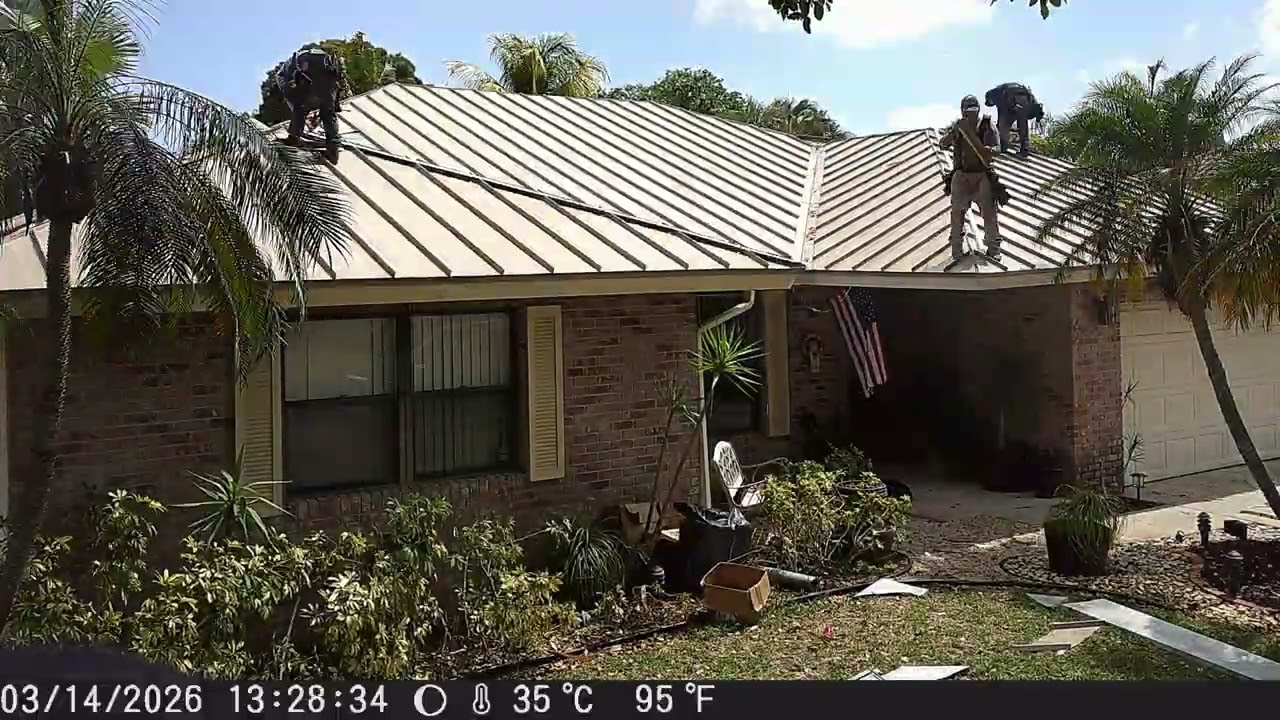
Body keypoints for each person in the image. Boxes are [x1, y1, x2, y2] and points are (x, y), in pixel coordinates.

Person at [939, 95, 1002, 261]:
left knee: (989, 212)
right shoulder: (958, 127)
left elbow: (997, 149)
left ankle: (994, 249)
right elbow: (943, 143)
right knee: (957, 213)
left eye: (972, 110)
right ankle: (957, 249)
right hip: (961, 176)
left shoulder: (987, 125)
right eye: (967, 111)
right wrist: (956, 131)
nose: (970, 114)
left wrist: (985, 148)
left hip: (981, 175)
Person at [275, 44, 346, 161]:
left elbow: (292, 95)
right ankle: (333, 152)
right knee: (329, 115)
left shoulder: (288, 67)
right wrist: (336, 105)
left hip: (313, 86)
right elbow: (336, 84)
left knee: (299, 107)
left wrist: (297, 103)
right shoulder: (324, 58)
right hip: (330, 87)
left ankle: (293, 138)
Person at [984, 82, 1043, 157]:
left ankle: (1003, 145)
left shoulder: (995, 94)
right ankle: (1024, 148)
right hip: (1026, 101)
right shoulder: (1008, 88)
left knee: (1004, 125)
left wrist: (999, 128)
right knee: (1022, 123)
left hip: (1014, 101)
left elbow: (1001, 113)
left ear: (989, 99)